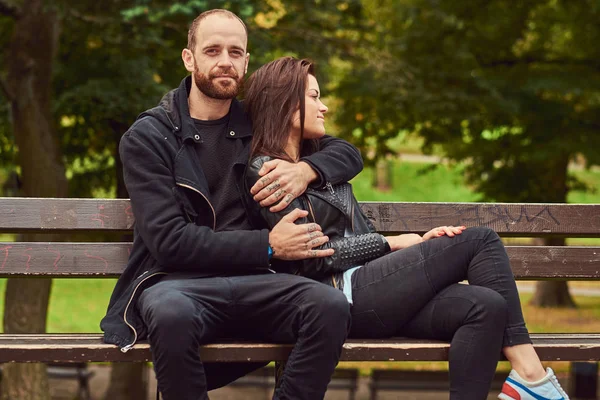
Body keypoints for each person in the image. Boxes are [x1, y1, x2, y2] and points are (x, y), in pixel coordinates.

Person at [243, 56, 570, 400]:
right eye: (313, 97)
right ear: (285, 103)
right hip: (340, 298)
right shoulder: (265, 170)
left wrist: (412, 253)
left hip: (375, 287)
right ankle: (533, 379)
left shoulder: (320, 157)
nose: (323, 107)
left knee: (486, 305)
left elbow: (351, 158)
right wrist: (392, 245)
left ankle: (527, 385)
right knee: (480, 241)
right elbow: (311, 257)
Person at [100, 10, 366, 400]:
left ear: (245, 62)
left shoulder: (258, 123)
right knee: (171, 314)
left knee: (327, 306)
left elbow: (346, 152)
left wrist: (307, 169)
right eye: (213, 50)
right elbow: (169, 242)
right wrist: (269, 245)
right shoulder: (149, 137)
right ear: (190, 59)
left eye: (236, 52)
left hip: (257, 281)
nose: (225, 61)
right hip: (176, 283)